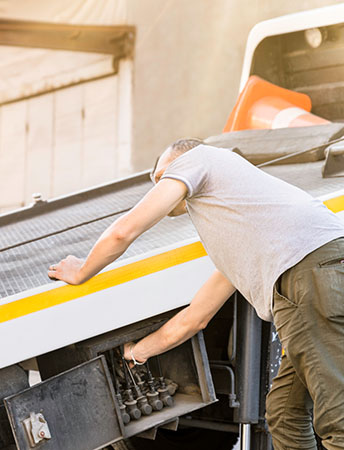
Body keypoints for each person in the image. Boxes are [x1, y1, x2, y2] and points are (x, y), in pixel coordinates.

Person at [48, 138, 344, 450]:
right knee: (285, 414)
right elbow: (195, 318)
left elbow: (125, 231)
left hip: (311, 277)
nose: (158, 186)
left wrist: (82, 270)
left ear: (183, 161)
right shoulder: (247, 234)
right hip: (316, 280)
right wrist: (137, 351)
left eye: (162, 176)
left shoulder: (201, 158)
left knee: (338, 420)